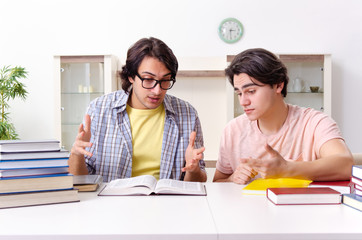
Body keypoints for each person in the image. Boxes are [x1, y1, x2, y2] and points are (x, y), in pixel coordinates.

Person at [68, 37, 206, 182]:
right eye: (148, 79)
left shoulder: (187, 114)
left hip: (167, 202)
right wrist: (76, 154)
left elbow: (197, 181)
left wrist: (194, 169)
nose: (157, 90)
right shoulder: (99, 109)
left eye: (165, 80)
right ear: (131, 76)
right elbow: (79, 181)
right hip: (112, 203)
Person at [213, 48, 353, 184]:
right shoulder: (232, 130)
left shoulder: (314, 122)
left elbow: (345, 164)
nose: (243, 101)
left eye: (251, 91)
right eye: (239, 93)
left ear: (279, 85)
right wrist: (232, 179)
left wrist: (288, 170)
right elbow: (218, 182)